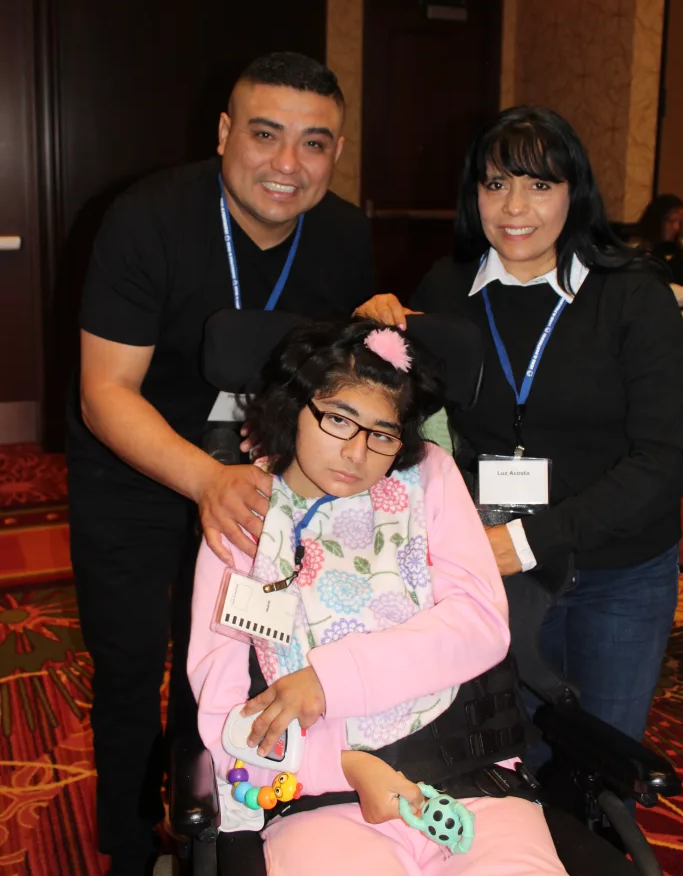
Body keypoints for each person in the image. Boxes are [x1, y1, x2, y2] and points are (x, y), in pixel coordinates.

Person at [66, 52, 374, 876]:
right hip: (135, 473)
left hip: (261, 484)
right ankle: (133, 849)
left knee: (237, 668)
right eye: (265, 135)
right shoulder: (147, 220)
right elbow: (104, 392)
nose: (287, 164)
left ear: (336, 152)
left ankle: (221, 835)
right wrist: (203, 480)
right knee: (132, 668)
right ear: (224, 132)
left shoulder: (344, 235)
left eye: (314, 143)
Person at [188, 315, 567, 875]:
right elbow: (225, 715)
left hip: (468, 777)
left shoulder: (429, 476)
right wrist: (345, 766)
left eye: (383, 434)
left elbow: (480, 624)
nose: (357, 453)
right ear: (294, 408)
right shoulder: (244, 509)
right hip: (317, 795)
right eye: (339, 420)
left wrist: (329, 680)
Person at [355, 105, 683, 752]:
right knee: (506, 757)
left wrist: (525, 542)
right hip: (492, 568)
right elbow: (404, 423)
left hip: (615, 570)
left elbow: (664, 460)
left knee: (601, 764)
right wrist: (369, 338)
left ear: (574, 192)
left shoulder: (632, 295)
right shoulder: (447, 290)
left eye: (539, 184)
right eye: (496, 183)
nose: (514, 207)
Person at [632, 192, 683, 285]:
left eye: (680, 222)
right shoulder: (639, 249)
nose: (676, 227)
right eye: (671, 221)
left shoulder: (679, 248)